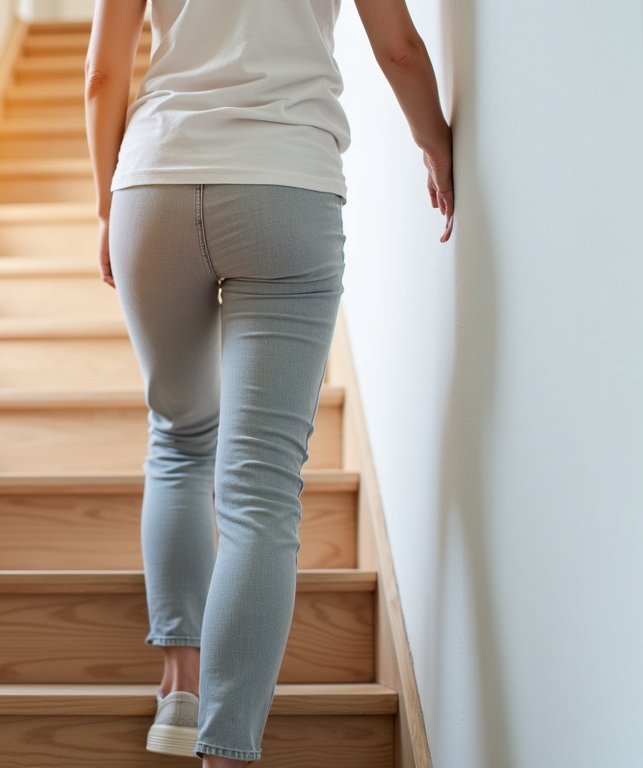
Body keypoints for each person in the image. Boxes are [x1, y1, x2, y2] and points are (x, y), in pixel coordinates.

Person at [84, 0, 453, 764]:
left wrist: (104, 204)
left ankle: (180, 690)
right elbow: (402, 49)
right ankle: (226, 751)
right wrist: (435, 144)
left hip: (154, 180)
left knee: (181, 439)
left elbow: (101, 74)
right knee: (260, 493)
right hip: (287, 187)